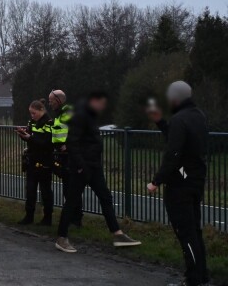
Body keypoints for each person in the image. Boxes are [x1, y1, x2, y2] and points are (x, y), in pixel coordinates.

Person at [55, 91, 140, 253]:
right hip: (83, 166)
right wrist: (80, 165)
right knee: (72, 201)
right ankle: (61, 237)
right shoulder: (80, 116)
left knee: (105, 197)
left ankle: (117, 234)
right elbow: (72, 141)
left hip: (93, 165)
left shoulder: (90, 117)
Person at [147, 81, 209, 286]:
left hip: (180, 184)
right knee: (195, 231)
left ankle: (192, 279)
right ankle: (202, 275)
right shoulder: (198, 116)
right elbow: (180, 141)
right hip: (196, 180)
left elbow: (173, 154)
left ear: (175, 98)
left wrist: (156, 181)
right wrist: (161, 123)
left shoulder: (179, 119)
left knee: (185, 232)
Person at [15, 99, 54, 226]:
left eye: (34, 113)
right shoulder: (32, 122)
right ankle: (29, 216)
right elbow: (31, 138)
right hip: (32, 160)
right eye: (30, 113)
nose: (32, 116)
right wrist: (23, 134)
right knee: (30, 190)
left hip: (44, 161)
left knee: (46, 191)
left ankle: (47, 218)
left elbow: (46, 143)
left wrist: (30, 138)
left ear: (41, 110)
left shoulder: (49, 123)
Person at [49, 89, 83, 227]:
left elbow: (76, 131)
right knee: (67, 188)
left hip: (70, 156)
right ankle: (71, 217)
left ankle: (76, 218)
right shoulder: (60, 114)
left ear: (58, 100)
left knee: (72, 188)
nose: (50, 104)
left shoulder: (68, 112)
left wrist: (67, 146)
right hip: (63, 155)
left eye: (51, 101)